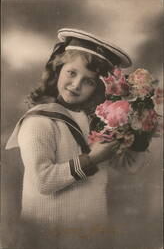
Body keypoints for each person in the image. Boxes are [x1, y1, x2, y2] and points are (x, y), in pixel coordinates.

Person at [6, 28, 148, 249]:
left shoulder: (99, 120)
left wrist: (142, 134)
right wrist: (91, 160)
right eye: (72, 73)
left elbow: (127, 165)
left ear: (99, 88)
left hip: (90, 234)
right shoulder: (39, 121)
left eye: (89, 81)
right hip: (46, 236)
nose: (76, 85)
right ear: (58, 69)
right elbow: (43, 181)